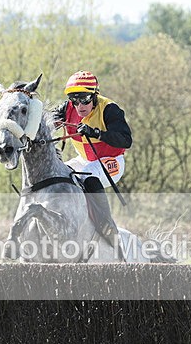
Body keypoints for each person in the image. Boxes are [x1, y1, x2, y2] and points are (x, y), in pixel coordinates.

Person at [53, 71, 132, 240]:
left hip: (111, 161)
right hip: (85, 160)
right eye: (74, 100)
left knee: (87, 178)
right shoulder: (66, 108)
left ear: (95, 95)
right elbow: (47, 122)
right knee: (57, 176)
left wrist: (95, 133)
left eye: (85, 99)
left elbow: (126, 141)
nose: (80, 106)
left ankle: (107, 226)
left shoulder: (110, 109)